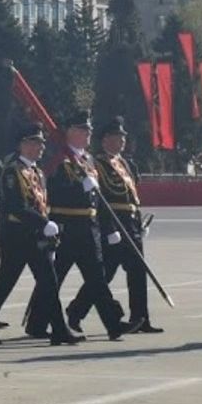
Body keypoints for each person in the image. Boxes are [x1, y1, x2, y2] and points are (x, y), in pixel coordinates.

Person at [22, 112, 142, 341]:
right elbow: (53, 192)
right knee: (54, 279)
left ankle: (113, 325)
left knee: (97, 277)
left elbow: (99, 200)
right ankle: (36, 323)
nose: (88, 134)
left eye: (89, 130)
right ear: (71, 132)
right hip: (67, 227)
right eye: (83, 130)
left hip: (89, 227)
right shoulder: (59, 160)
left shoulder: (87, 161)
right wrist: (79, 188)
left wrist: (109, 228)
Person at [0, 124, 81, 346]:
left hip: (37, 237)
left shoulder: (37, 172)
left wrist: (48, 231)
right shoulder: (12, 172)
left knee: (49, 283)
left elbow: (41, 204)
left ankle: (59, 330)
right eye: (35, 142)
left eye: (41, 143)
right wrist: (44, 224)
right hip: (17, 237)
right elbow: (16, 206)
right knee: (5, 283)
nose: (41, 147)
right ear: (23, 145)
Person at [67, 117, 161, 334]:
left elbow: (132, 197)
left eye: (123, 138)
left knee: (137, 272)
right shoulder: (97, 164)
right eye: (116, 138)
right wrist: (109, 229)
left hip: (131, 223)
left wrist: (138, 224)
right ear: (105, 140)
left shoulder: (126, 164)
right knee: (104, 274)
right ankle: (76, 311)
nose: (121, 142)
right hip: (114, 223)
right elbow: (101, 199)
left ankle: (141, 318)